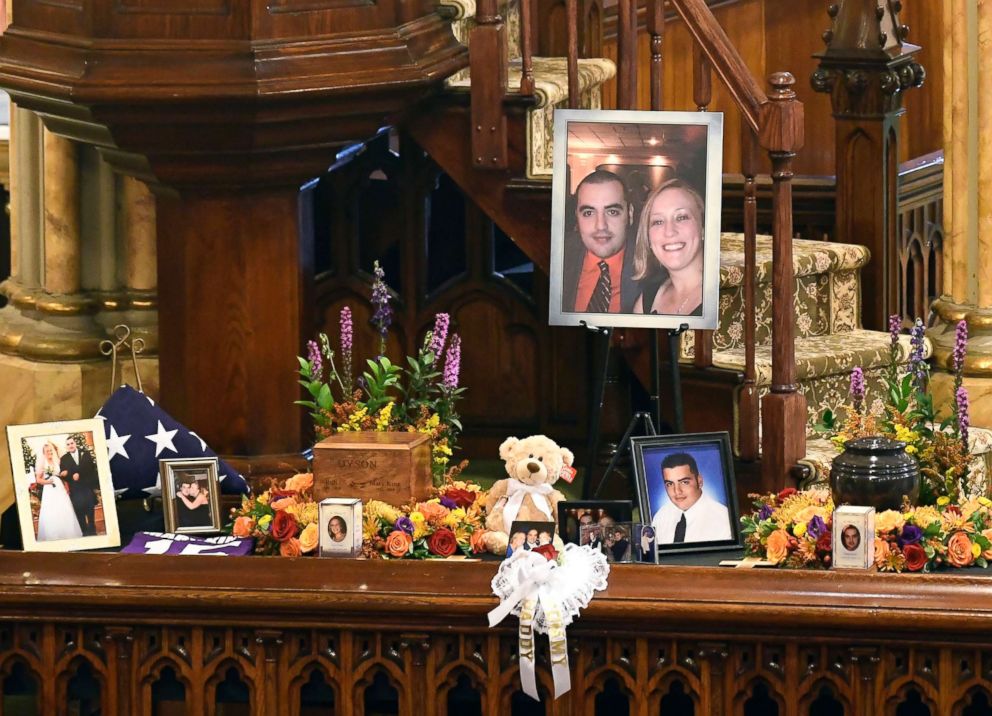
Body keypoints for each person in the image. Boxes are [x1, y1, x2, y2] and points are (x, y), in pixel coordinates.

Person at [562, 169, 639, 314]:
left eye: (612, 212)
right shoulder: (558, 256)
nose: (601, 225)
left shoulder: (654, 269)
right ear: (577, 217)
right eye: (588, 213)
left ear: (630, 214)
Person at [632, 178, 705, 317]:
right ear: (648, 237)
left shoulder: (727, 296)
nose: (669, 231)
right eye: (658, 221)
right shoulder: (646, 300)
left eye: (681, 217)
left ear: (702, 229)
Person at [651, 452, 732, 544]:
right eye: (670, 484)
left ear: (700, 481)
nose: (677, 491)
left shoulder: (724, 520)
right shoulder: (660, 516)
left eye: (684, 482)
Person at [34, 441, 83, 541]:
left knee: (63, 507)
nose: (49, 452)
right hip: (50, 489)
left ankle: (68, 533)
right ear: (43, 453)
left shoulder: (56, 462)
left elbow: (60, 475)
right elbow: (38, 480)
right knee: (53, 510)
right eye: (47, 451)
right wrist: (48, 482)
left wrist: (64, 480)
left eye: (50, 450)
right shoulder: (42, 463)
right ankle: (54, 536)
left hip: (59, 488)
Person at [60, 435, 99, 536]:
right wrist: (67, 474)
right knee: (79, 511)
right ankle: (84, 532)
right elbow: (64, 474)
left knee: (90, 510)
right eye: (68, 444)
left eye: (72, 443)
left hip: (87, 487)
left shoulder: (85, 454)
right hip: (75, 490)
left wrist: (79, 473)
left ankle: (92, 532)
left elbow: (90, 467)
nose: (70, 446)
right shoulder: (63, 459)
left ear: (75, 443)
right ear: (66, 447)